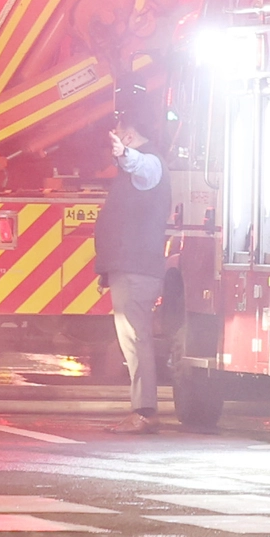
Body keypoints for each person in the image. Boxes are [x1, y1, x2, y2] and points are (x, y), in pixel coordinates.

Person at [96, 117, 173, 434]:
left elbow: (141, 167)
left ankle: (144, 411)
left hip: (137, 267)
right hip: (131, 266)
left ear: (129, 135)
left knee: (136, 338)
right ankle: (142, 410)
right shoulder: (144, 165)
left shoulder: (149, 163)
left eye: (118, 137)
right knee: (132, 338)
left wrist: (126, 155)